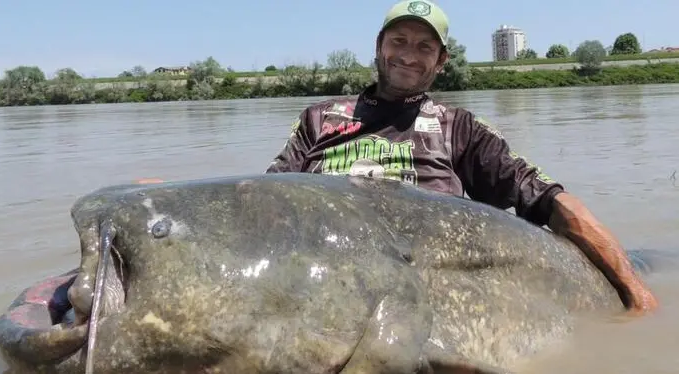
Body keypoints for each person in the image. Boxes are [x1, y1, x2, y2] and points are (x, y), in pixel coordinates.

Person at [263, 0, 658, 315]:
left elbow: (548, 200)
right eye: (398, 40)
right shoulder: (319, 118)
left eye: (424, 47)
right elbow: (263, 204)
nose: (408, 55)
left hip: (425, 288)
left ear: (441, 61)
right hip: (320, 277)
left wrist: (634, 289)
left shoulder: (460, 128)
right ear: (379, 46)